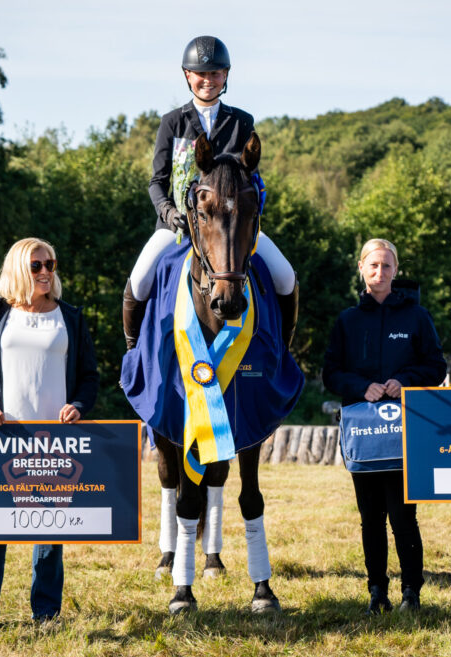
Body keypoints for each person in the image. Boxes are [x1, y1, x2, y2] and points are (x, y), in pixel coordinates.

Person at [123, 35, 298, 574]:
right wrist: (172, 214)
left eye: (215, 74)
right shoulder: (173, 122)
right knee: (139, 276)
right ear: (187, 77)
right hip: (180, 227)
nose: (208, 81)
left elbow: (255, 179)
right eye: (200, 75)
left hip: (233, 229)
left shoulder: (242, 119)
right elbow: (156, 181)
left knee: (286, 275)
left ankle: (282, 349)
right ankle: (136, 351)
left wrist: (250, 210)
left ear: (226, 76)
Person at [0, 237, 99, 626]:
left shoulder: (70, 316)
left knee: (50, 529)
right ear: (19, 268)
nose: (44, 272)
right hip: (3, 437)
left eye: (50, 264)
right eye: (36, 265)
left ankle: (46, 613)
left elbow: (90, 376)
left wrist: (80, 406)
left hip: (54, 440)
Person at [323, 238, 447, 614]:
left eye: (387, 266)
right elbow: (331, 373)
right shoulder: (347, 320)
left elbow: (436, 367)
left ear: (397, 270)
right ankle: (377, 591)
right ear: (361, 268)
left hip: (405, 434)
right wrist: (362, 387)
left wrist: (403, 380)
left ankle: (412, 592)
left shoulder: (416, 316)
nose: (380, 272)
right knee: (370, 517)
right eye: (373, 265)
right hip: (364, 435)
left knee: (403, 515)